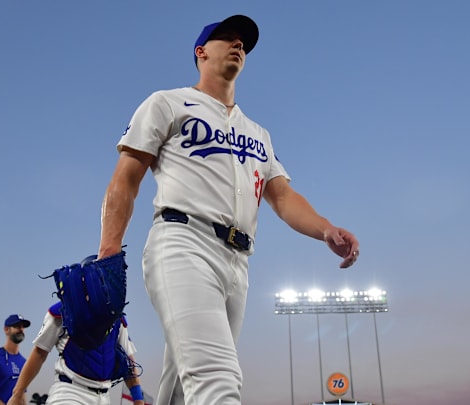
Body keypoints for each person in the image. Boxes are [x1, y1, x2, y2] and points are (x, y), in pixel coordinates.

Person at [97, 14, 360, 405]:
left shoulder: (258, 133)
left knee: (185, 385)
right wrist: (109, 250)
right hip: (183, 242)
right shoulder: (168, 103)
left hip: (238, 263)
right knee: (217, 375)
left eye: (243, 42)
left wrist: (325, 228)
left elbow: (283, 197)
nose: (238, 44)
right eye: (228, 38)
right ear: (201, 52)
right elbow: (126, 178)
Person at [7, 301, 145, 405]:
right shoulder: (63, 310)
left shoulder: (116, 317)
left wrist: (138, 400)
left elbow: (129, 364)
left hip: (103, 397)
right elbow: (39, 353)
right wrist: (17, 393)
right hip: (70, 392)